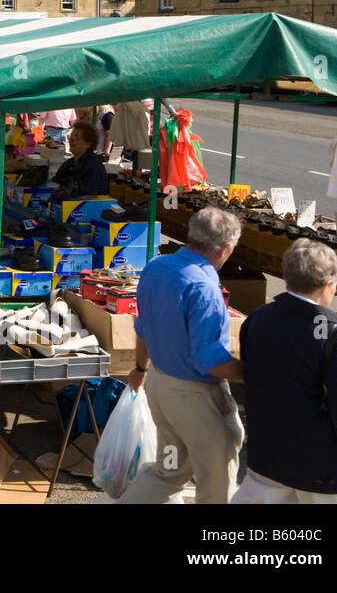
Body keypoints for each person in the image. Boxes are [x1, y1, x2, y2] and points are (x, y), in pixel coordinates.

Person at [118, 207, 245, 504]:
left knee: (169, 469)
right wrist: (253, 373)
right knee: (217, 479)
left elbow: (144, 326)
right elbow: (209, 360)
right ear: (226, 248)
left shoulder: (156, 267)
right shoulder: (205, 287)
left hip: (161, 388)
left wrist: (140, 367)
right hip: (194, 398)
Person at [232, 239, 337, 503]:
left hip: (268, 454)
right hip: (322, 464)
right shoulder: (331, 329)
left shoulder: (258, 318)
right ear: (326, 285)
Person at [48, 120, 109, 201]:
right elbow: (56, 185)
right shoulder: (69, 163)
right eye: (71, 136)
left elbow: (90, 196)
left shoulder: (93, 166)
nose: (71, 140)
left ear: (88, 144)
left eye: (76, 137)